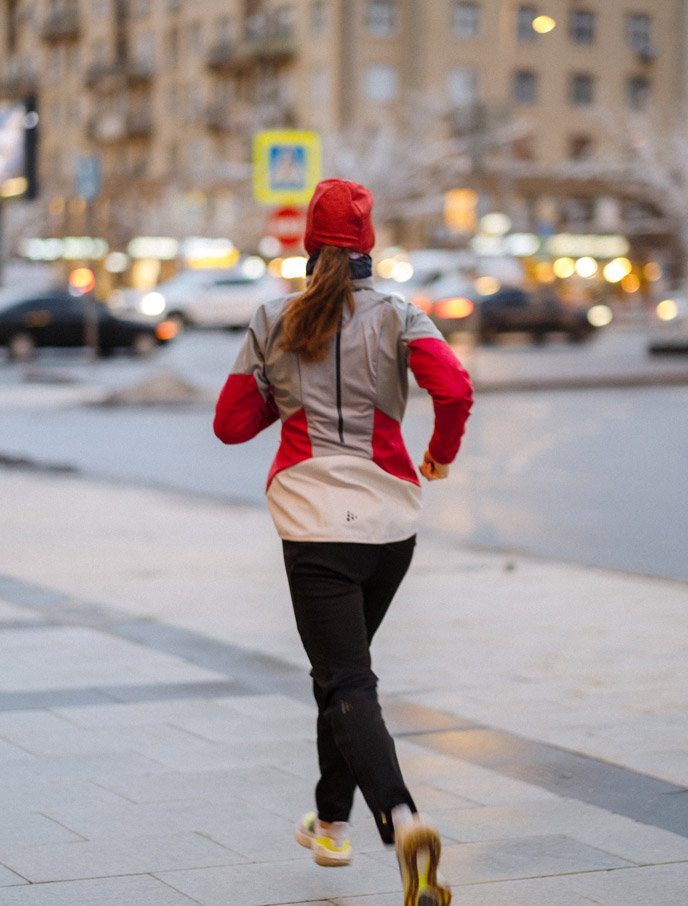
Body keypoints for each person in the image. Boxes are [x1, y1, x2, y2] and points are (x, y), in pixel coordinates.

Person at [213, 178, 473, 906]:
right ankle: (331, 824)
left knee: (345, 680)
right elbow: (455, 390)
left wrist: (285, 393)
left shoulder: (273, 319)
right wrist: (440, 454)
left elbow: (229, 425)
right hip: (390, 526)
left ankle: (402, 819)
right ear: (369, 245)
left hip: (314, 523)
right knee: (341, 676)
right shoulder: (402, 315)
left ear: (308, 244)